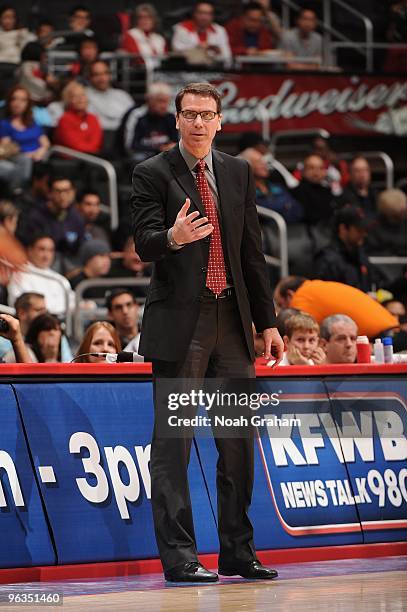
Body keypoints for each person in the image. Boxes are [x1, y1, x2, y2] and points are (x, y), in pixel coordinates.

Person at [131, 82, 283, 583]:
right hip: (183, 327)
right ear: (176, 120)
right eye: (189, 114)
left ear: (220, 121)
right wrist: (172, 237)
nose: (198, 122)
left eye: (207, 114)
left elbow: (252, 254)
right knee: (173, 446)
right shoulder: (152, 172)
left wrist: (268, 322)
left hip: (234, 328)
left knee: (237, 445)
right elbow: (146, 244)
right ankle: (179, 558)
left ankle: (238, 551)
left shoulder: (237, 171)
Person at [273, 276, 398, 339]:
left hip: (385, 338)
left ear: (289, 295)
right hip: (392, 328)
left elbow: (303, 331)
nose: (282, 310)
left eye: (280, 304)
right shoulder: (314, 287)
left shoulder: (301, 297)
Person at [314, 206, 382, 292]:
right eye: (359, 230)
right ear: (343, 229)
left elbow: (378, 284)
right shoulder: (327, 260)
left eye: (365, 230)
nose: (364, 234)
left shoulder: (361, 256)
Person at [17, 175, 85, 259]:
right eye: (58, 191)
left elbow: (79, 248)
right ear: (49, 193)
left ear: (73, 192)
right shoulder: (35, 217)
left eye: (67, 191)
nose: (63, 196)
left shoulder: (77, 218)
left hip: (68, 263)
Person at [7, 233, 75, 317]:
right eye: (42, 249)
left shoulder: (60, 279)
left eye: (50, 250)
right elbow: (19, 305)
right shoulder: (19, 275)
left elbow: (73, 303)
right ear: (30, 250)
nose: (46, 255)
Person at [0, 85, 50, 190]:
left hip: (37, 158)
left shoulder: (33, 123)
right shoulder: (4, 124)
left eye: (23, 100)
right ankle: (17, 191)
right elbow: (7, 148)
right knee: (23, 161)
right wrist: (29, 154)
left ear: (28, 104)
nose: (18, 103)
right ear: (9, 102)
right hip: (17, 158)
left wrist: (40, 152)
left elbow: (45, 143)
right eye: (14, 99)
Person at [239, 147, 304, 224]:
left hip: (289, 231)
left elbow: (298, 210)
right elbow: (260, 217)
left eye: (264, 161)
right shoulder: (245, 192)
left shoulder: (277, 187)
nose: (264, 165)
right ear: (247, 166)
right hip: (265, 234)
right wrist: (284, 207)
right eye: (259, 162)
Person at [119, 82, 178, 161]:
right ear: (149, 100)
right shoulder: (136, 115)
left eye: (167, 101)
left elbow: (177, 142)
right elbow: (130, 146)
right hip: (142, 156)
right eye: (160, 101)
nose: (164, 106)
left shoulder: (171, 116)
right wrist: (159, 149)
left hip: (165, 156)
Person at [172, 1, 232, 66]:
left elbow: (227, 56)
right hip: (188, 71)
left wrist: (214, 49)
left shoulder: (219, 30)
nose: (204, 17)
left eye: (208, 14)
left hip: (214, 70)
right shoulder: (182, 29)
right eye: (200, 13)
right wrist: (198, 48)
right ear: (194, 14)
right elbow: (177, 52)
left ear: (212, 16)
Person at [54, 81, 103, 154]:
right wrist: (92, 150)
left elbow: (96, 142)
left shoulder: (93, 118)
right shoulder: (65, 120)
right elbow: (74, 145)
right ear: (69, 100)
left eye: (83, 95)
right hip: (72, 160)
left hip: (93, 158)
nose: (80, 99)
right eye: (75, 96)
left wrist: (92, 150)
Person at [85, 60, 133, 131]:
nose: (102, 78)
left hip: (123, 135)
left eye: (105, 73)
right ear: (90, 78)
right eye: (96, 74)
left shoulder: (122, 95)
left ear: (110, 75)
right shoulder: (83, 96)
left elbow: (133, 117)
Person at [121, 3, 166, 69]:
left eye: (148, 17)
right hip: (141, 73)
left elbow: (165, 59)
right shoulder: (131, 35)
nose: (145, 20)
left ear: (154, 20)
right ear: (136, 20)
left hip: (161, 72)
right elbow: (137, 59)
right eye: (141, 17)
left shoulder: (159, 38)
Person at [365, 188, 407, 256]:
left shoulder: (405, 223)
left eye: (404, 211)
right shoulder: (373, 226)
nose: (403, 214)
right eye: (396, 215)